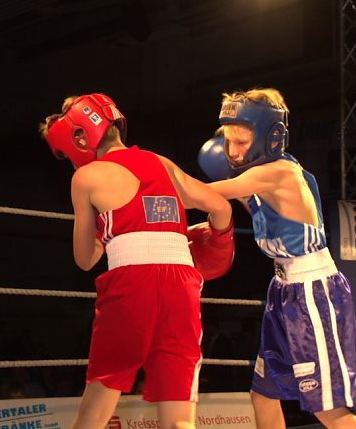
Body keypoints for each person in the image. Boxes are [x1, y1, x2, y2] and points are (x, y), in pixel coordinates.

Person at [39, 93, 234, 429]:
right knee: (179, 421)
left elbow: (85, 259)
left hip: (131, 286)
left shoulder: (85, 178)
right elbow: (221, 207)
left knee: (95, 410)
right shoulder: (162, 163)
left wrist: (103, 232)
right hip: (182, 284)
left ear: (80, 138)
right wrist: (214, 245)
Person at [198, 88, 356, 429]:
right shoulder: (258, 179)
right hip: (284, 291)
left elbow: (202, 194)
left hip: (312, 293)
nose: (232, 151)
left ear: (269, 137)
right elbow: (243, 200)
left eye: (241, 141)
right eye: (229, 142)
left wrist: (149, 175)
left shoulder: (277, 172)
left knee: (329, 411)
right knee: (263, 394)